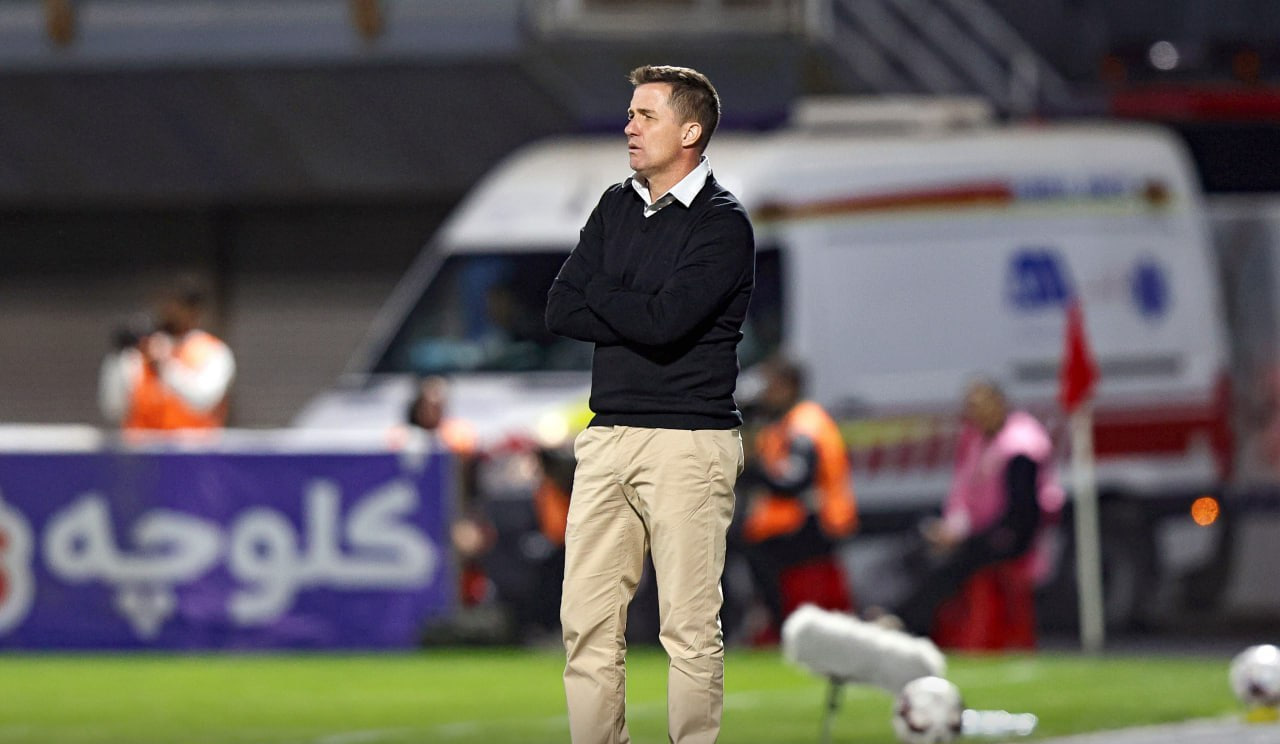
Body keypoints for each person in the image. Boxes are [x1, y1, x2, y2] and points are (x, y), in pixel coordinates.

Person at [545, 64, 754, 744]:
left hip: (688, 442)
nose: (629, 127)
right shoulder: (616, 205)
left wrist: (606, 294)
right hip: (608, 434)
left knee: (688, 628)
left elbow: (666, 323)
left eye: (645, 115)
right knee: (585, 624)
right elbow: (559, 307)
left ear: (689, 132)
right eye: (630, 114)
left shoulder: (723, 224)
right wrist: (635, 305)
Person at [886, 380, 1063, 647]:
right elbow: (963, 494)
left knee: (946, 566)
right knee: (919, 545)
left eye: (981, 406)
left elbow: (1021, 514)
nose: (976, 413)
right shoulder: (977, 439)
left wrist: (965, 536)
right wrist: (952, 528)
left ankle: (909, 626)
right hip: (982, 530)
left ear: (999, 404)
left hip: (1012, 536)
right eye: (971, 407)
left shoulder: (1021, 447)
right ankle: (898, 618)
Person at [739, 357, 858, 636]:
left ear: (788, 386)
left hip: (814, 523)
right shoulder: (787, 422)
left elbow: (793, 482)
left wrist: (751, 469)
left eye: (770, 386)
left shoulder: (804, 425)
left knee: (785, 589)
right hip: (795, 523)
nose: (765, 394)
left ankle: (780, 629)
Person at [98, 278, 235, 431]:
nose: (170, 310)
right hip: (143, 443)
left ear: (194, 310)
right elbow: (114, 408)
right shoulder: (141, 351)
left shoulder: (212, 351)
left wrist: (165, 367)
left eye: (177, 305)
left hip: (194, 444)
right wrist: (117, 358)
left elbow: (203, 401)